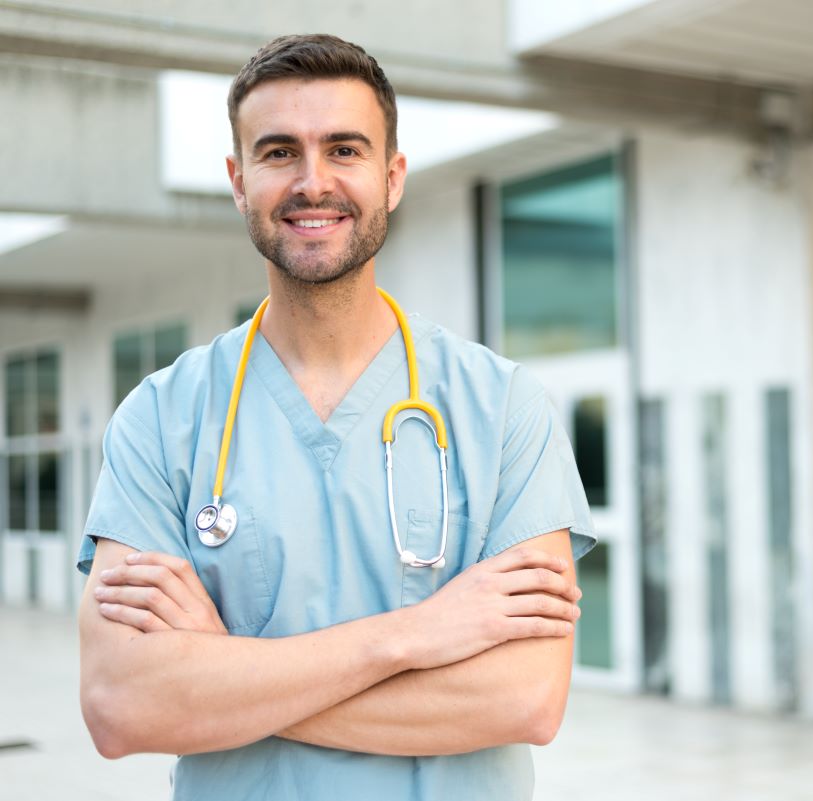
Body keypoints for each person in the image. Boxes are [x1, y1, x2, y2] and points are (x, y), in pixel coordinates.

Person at [76, 33, 594, 800]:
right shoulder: (161, 417)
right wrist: (415, 635)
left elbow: (524, 697)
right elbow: (124, 704)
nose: (312, 182)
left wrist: (228, 671)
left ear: (391, 178)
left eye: (344, 149)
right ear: (237, 179)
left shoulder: (502, 406)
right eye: (279, 152)